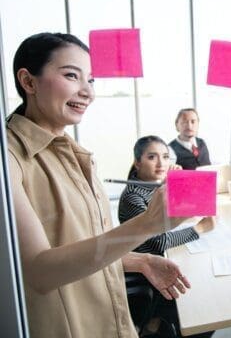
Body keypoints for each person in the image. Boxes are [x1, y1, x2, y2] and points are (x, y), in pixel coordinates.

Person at [7, 32, 190, 338]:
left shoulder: (71, 152)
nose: (87, 92)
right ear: (28, 82)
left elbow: (82, 245)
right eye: (71, 75)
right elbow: (38, 271)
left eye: (90, 80)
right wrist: (147, 224)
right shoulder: (9, 159)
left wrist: (139, 261)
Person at [119, 135, 216, 337]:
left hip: (164, 260)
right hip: (149, 271)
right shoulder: (133, 196)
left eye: (165, 156)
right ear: (137, 162)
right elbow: (159, 241)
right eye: (152, 157)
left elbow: (186, 208)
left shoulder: (154, 186)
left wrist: (177, 183)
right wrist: (199, 229)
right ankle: (153, 325)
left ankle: (156, 323)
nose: (161, 163)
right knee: (205, 311)